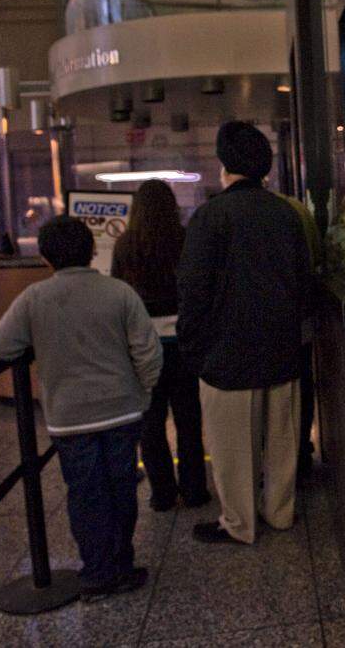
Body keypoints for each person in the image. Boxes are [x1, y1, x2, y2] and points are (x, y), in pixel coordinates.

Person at [0, 216, 162, 600]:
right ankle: (122, 565)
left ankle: (96, 573)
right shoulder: (119, 292)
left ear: (46, 258)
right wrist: (143, 391)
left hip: (70, 417)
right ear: (93, 250)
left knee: (85, 494)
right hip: (121, 409)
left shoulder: (34, 298)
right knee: (121, 490)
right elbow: (148, 351)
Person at [178, 121, 311, 545]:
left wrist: (194, 349)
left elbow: (194, 289)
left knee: (234, 450)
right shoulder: (285, 215)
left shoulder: (210, 217)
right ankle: (280, 511)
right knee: (283, 442)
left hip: (227, 357)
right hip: (282, 350)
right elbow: (303, 281)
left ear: (224, 166)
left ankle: (239, 523)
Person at [112, 180, 210, 512]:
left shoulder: (126, 245)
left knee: (150, 425)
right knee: (189, 421)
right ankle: (195, 490)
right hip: (183, 342)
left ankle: (163, 494)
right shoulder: (184, 240)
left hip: (142, 345)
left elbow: (118, 295)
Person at [276, 191, 321, 476]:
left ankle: (282, 460)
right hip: (301, 316)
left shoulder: (268, 214)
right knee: (303, 385)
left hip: (272, 325)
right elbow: (317, 254)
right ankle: (302, 450)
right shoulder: (297, 209)